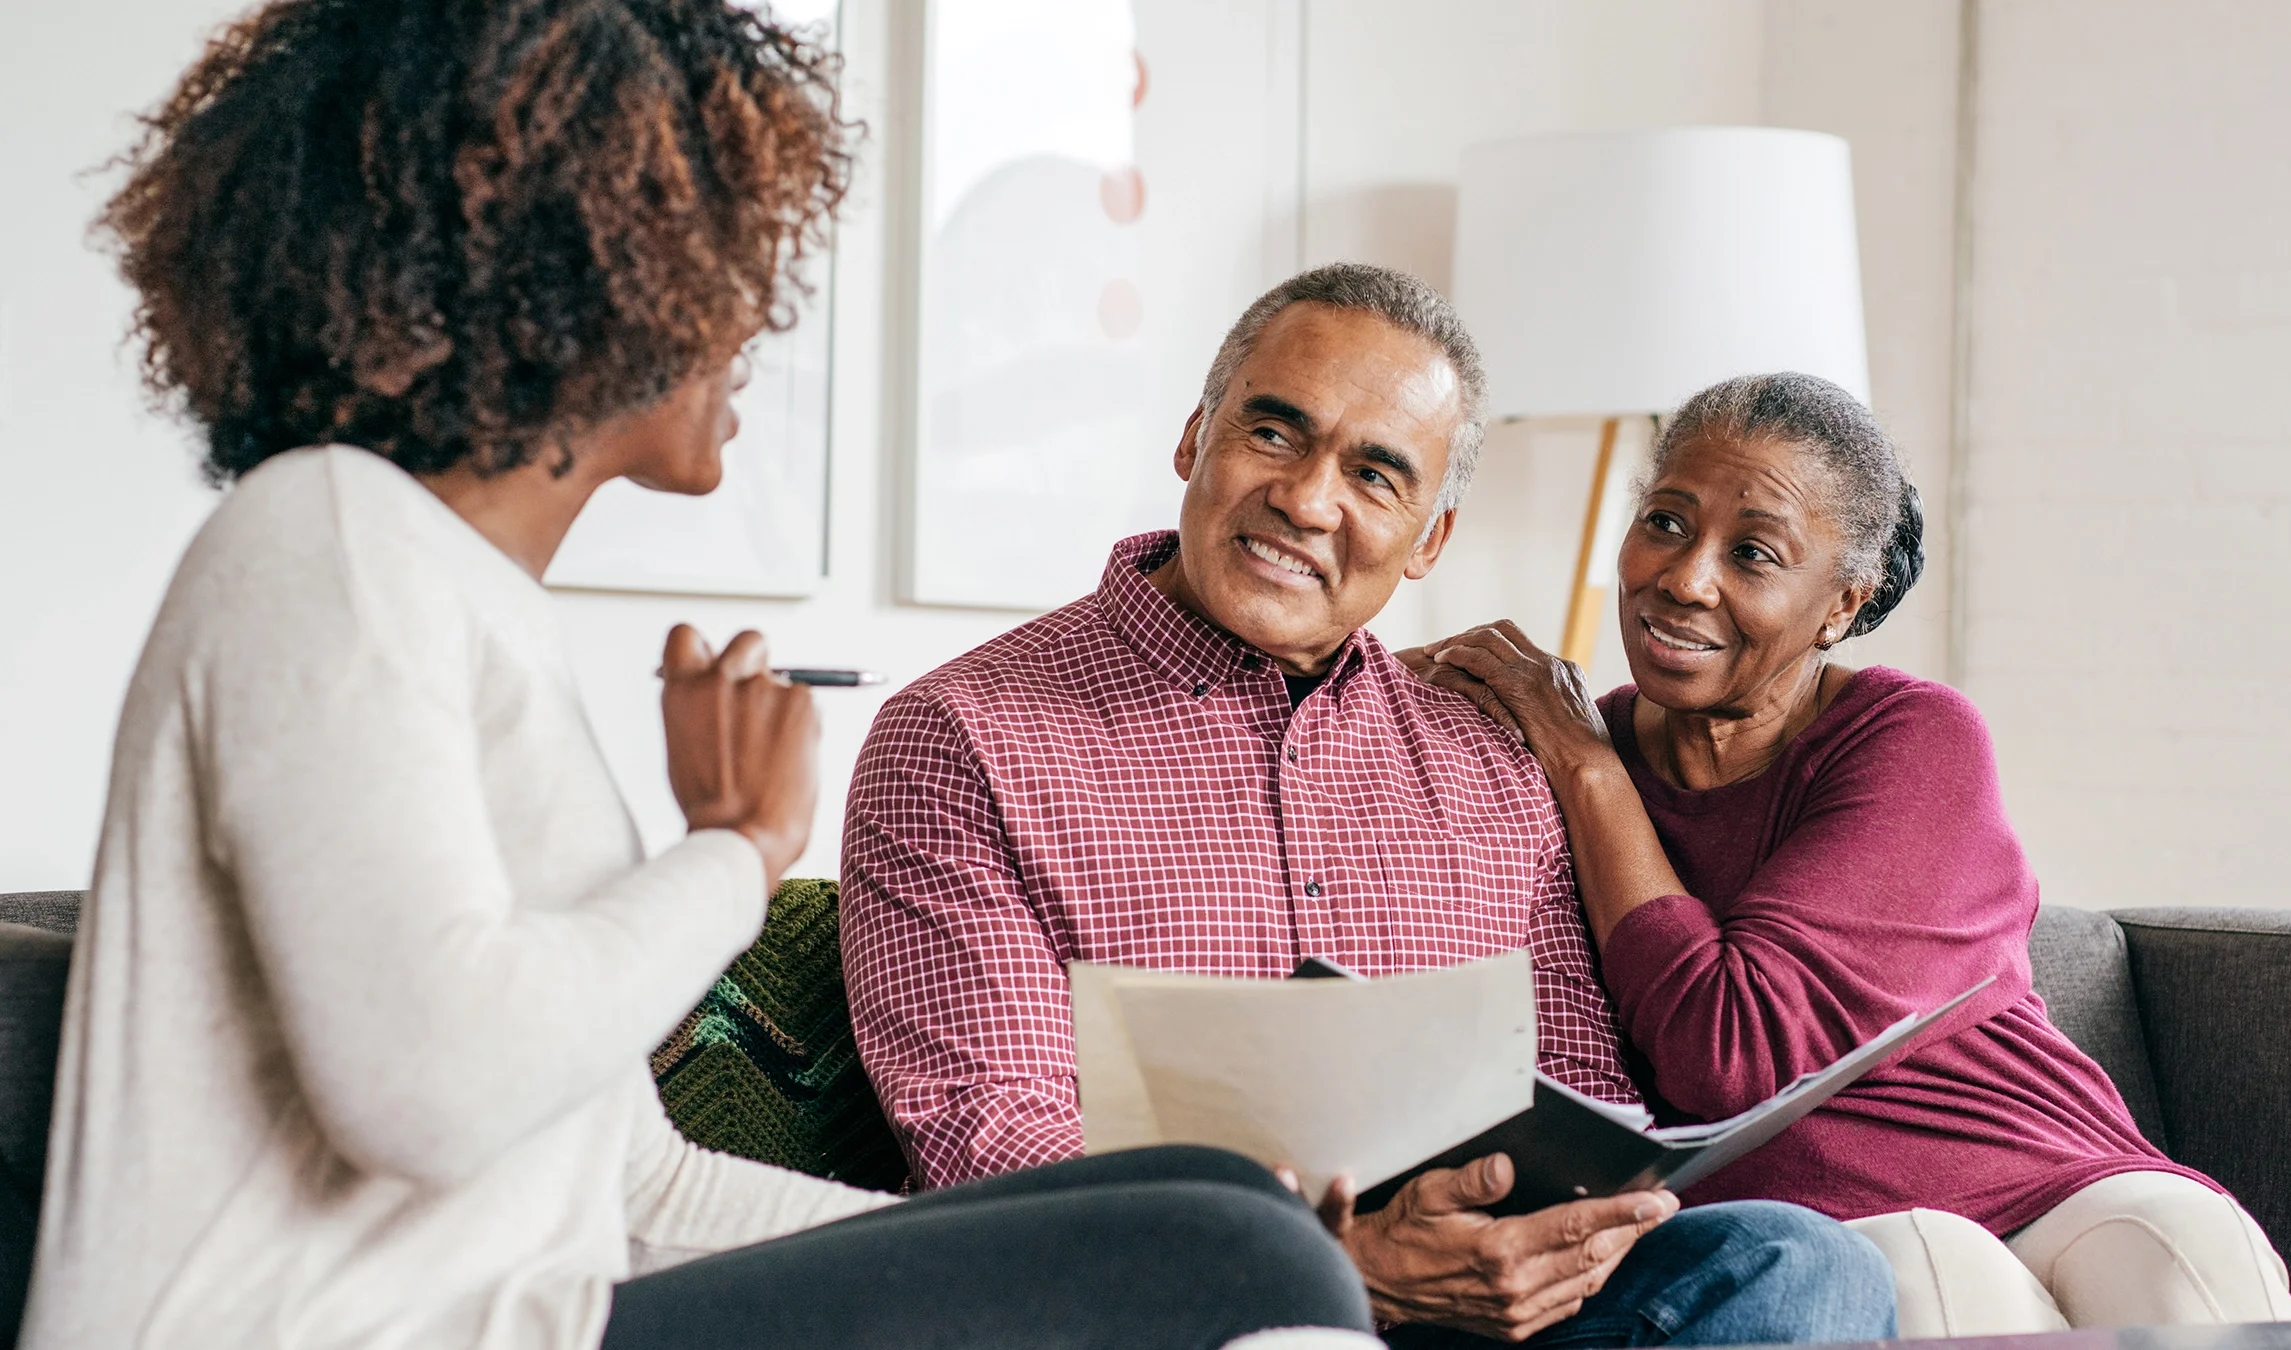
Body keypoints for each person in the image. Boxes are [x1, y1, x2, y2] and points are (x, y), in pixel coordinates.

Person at [22, 4, 1373, 1348]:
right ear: (591, 273)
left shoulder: (465, 603)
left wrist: (1072, 1251)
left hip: (527, 1310)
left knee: (1212, 1207)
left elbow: (636, 1189)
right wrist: (735, 848)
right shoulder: (325, 536)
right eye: (720, 259)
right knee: (1230, 1247)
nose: (750, 321)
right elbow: (429, 1089)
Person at [840, 264, 1897, 1347]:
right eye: (1273, 433)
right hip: (1192, 1308)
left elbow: (1579, 1090)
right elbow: (990, 1143)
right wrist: (1338, 1269)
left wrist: (1563, 1239)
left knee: (1801, 1263)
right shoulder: (963, 737)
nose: (1306, 499)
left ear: (1431, 540)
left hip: (1498, 1307)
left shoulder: (1490, 753)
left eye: (1377, 474)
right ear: (1194, 439)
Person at [1406, 372, 2291, 1336]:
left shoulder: (1912, 739)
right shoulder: (1565, 749)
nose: (1685, 577)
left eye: (1752, 553)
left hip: (2044, 1169)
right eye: (1666, 522)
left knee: (2184, 1252)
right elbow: (1722, 1071)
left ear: (1840, 606)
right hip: (1814, 1236)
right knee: (1929, 1267)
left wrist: (1589, 771)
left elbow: (1730, 1038)